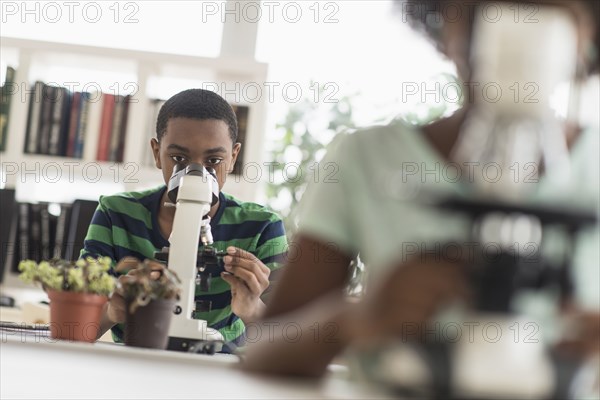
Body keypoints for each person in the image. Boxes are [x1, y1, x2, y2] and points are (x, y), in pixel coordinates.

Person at [244, 0, 600, 380]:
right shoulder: (365, 158)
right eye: (483, 11)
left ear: (587, 33)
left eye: (541, 12)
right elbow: (264, 351)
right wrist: (355, 319)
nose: (516, 32)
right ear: (443, 20)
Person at [81, 89, 288, 348]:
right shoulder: (116, 214)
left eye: (213, 160)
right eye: (179, 159)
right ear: (157, 153)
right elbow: (75, 329)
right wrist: (113, 311)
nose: (196, 173)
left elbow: (289, 341)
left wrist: (252, 309)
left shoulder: (263, 227)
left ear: (233, 157)